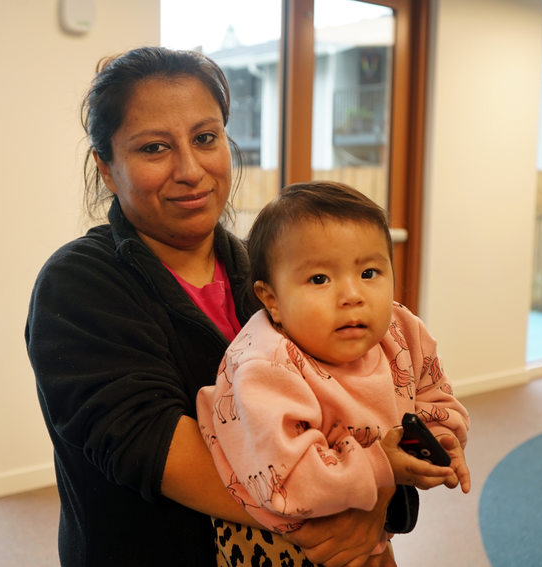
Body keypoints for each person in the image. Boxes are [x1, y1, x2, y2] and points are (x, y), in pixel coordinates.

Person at [26, 47, 397, 567]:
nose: (190, 169)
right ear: (107, 169)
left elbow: (363, 403)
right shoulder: (79, 284)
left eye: (206, 138)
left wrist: (380, 499)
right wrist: (349, 504)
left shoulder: (268, 277)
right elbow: (154, 451)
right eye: (154, 148)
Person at [196, 181, 471, 566]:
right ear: (271, 298)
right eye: (320, 279)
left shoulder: (401, 332)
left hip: (366, 511)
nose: (352, 295)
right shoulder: (264, 366)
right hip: (280, 538)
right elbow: (290, 482)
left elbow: (434, 396)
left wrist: (434, 438)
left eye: (370, 272)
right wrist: (384, 464)